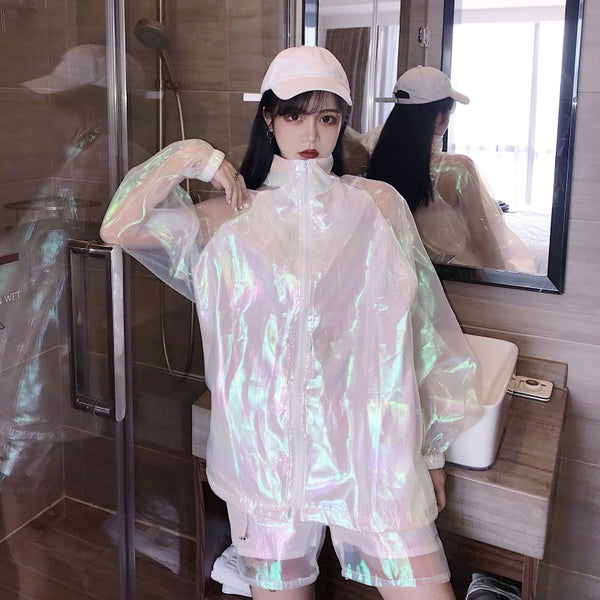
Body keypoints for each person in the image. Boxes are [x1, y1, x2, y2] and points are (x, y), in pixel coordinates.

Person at [100, 46, 483, 600]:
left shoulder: (377, 207)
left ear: (342, 123)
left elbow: (423, 329)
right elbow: (118, 227)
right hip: (265, 467)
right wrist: (194, 157)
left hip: (373, 456)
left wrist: (430, 452)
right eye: (295, 114)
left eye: (327, 118)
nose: (311, 133)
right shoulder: (228, 219)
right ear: (268, 117)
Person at [366, 65, 536, 273]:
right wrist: (502, 281)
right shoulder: (458, 169)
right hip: (454, 281)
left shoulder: (379, 159)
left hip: (396, 276)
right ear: (439, 118)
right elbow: (484, 241)